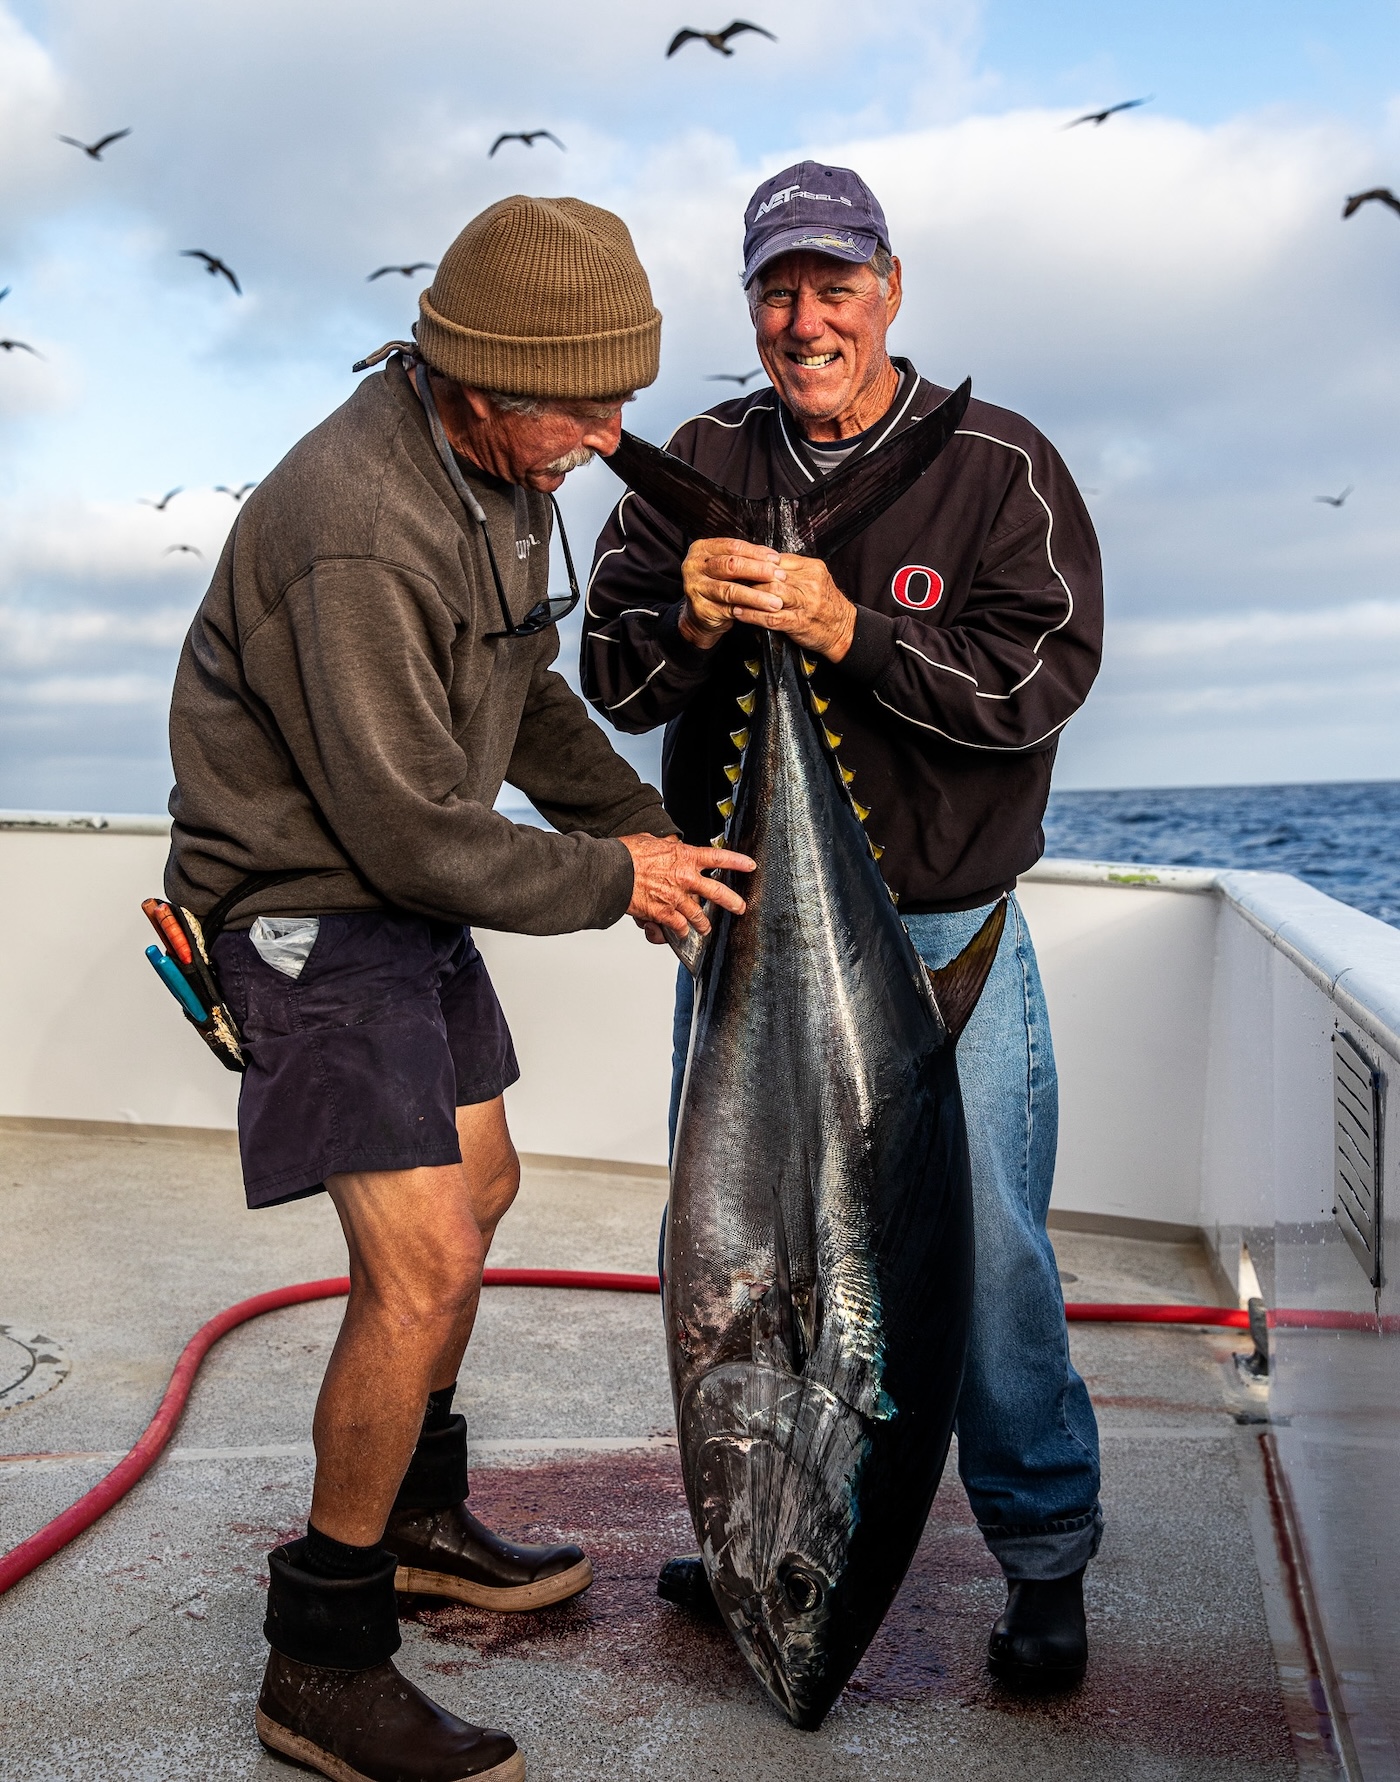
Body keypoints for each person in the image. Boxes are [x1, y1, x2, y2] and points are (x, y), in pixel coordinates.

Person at [165, 195, 752, 1782]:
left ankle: (417, 1515)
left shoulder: (502, 471)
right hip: (307, 904)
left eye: (622, 399)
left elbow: (527, 692)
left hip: (400, 887)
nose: (608, 439)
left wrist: (650, 828)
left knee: (482, 1188)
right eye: (583, 408)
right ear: (482, 384)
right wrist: (616, 882)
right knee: (417, 1266)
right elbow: (409, 830)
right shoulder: (356, 525)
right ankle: (322, 1657)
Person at [580, 162, 1105, 1692]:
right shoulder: (696, 460)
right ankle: (750, 1518)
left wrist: (845, 629)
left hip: (942, 951)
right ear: (752, 305)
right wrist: (694, 617)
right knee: (728, 1260)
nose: (806, 320)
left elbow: (1042, 683)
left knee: (987, 1263)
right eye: (778, 292)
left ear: (890, 287)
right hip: (746, 946)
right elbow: (613, 681)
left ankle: (1043, 1550)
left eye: (835, 286)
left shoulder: (999, 466)